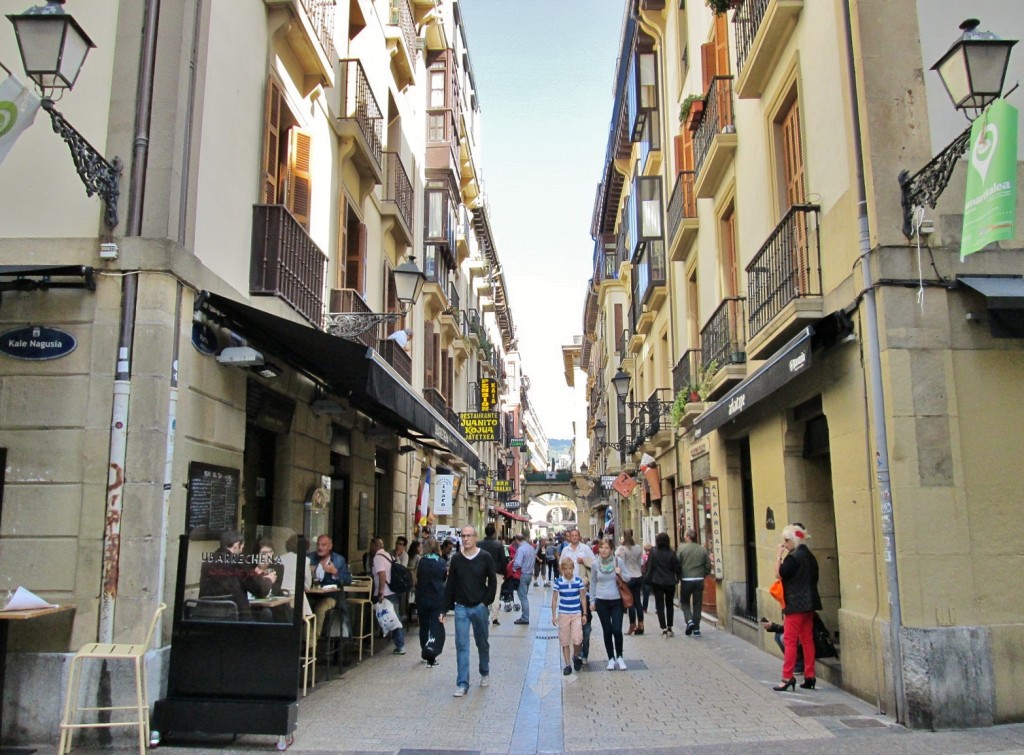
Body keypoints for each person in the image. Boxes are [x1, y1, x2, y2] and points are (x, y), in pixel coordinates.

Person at [441, 526, 497, 697]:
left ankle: (484, 671)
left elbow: (493, 581)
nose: (465, 539)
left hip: (479, 607)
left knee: (482, 642)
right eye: (463, 536)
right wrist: (444, 608)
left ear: (475, 537)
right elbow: (450, 584)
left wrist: (485, 603)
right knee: (462, 645)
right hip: (461, 608)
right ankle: (462, 683)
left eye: (468, 536)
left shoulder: (485, 557)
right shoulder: (457, 559)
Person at [773, 524, 821, 691]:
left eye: (786, 541)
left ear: (793, 540)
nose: (785, 544)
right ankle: (810, 675)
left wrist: (778, 556)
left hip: (795, 605)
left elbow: (778, 574)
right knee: (807, 639)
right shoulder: (809, 556)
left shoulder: (793, 558)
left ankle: (787, 677)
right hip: (809, 604)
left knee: (790, 641)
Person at [199, 530, 277, 618]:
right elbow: (259, 590)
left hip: (206, 614)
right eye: (242, 546)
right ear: (236, 545)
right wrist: (269, 580)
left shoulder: (208, 561)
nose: (242, 550)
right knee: (266, 614)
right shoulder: (238, 561)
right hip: (234, 616)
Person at [590, 538, 627, 670]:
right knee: (607, 630)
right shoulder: (595, 564)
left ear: (611, 550)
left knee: (617, 630)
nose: (603, 550)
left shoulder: (618, 561)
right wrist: (592, 600)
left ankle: (620, 656)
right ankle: (611, 658)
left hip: (616, 600)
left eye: (606, 548)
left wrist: (620, 573)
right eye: (601, 547)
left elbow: (628, 577)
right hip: (601, 601)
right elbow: (593, 582)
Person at [306, 534, 353, 635]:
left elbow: (348, 580)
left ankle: (313, 639)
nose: (320, 548)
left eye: (323, 545)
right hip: (311, 595)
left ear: (330, 546)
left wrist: (335, 572)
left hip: (331, 596)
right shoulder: (310, 558)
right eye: (318, 544)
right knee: (302, 608)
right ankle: (304, 637)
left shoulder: (338, 560)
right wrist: (307, 571)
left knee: (320, 609)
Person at [562, 528, 594, 664]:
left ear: (579, 536)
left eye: (576, 535)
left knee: (586, 626)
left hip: (583, 591)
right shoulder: (566, 550)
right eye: (572, 535)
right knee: (574, 626)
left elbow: (594, 564)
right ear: (569, 537)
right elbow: (561, 567)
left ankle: (584, 654)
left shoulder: (585, 549)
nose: (574, 537)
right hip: (570, 593)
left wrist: (584, 561)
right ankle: (578, 653)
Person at [551, 556, 587, 675]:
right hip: (563, 614)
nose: (568, 571)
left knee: (577, 638)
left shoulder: (578, 581)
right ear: (562, 569)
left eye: (570, 568)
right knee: (564, 639)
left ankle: (575, 655)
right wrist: (553, 615)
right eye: (565, 569)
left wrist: (584, 613)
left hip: (576, 613)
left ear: (573, 568)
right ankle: (567, 665)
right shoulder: (559, 582)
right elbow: (554, 599)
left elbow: (583, 597)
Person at [371, 536, 406, 655]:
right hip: (392, 591)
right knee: (395, 618)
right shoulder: (389, 556)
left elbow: (382, 575)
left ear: (374, 545)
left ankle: (399, 645)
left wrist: (380, 592)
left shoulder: (378, 558)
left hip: (385, 593)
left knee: (392, 619)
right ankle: (399, 644)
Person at [416, 538, 448, 667]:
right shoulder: (441, 562)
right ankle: (431, 656)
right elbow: (444, 578)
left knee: (424, 627)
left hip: (422, 598)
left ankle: (424, 651)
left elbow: (418, 577)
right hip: (437, 598)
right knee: (435, 627)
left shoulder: (422, 562)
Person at [643, 531, 681, 636]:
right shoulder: (672, 553)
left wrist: (647, 579)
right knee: (669, 605)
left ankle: (663, 627)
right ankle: (670, 627)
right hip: (669, 582)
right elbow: (677, 567)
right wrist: (678, 578)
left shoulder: (654, 552)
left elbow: (649, 566)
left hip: (657, 582)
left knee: (659, 605)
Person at [677, 527, 711, 637]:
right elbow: (708, 566)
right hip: (699, 579)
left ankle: (689, 620)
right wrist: (703, 574)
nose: (684, 537)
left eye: (685, 535)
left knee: (685, 602)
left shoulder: (681, 549)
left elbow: (677, 564)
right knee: (697, 604)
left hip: (686, 579)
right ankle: (696, 628)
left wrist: (679, 576)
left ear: (688, 536)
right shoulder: (702, 549)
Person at [477, 523, 508, 626]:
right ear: (494, 533)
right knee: (496, 595)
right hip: (496, 573)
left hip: (481, 572)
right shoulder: (499, 545)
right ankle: (494, 617)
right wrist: (504, 573)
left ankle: (484, 616)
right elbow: (504, 560)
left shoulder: (479, 544)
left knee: (482, 594)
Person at [616, 529, 644, 635]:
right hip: (638, 575)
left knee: (630, 602)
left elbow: (620, 562)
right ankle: (641, 624)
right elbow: (640, 562)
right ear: (632, 534)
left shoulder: (622, 549)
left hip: (628, 577)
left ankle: (633, 624)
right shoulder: (638, 548)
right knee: (638, 602)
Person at [511, 534, 536, 625]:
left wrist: (512, 566)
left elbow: (518, 563)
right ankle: (524, 616)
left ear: (517, 540)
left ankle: (525, 617)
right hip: (529, 574)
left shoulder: (521, 549)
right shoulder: (531, 548)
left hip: (523, 574)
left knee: (523, 597)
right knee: (524, 596)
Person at [405, 540, 422, 624]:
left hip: (406, 580)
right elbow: (418, 570)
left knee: (408, 598)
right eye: (420, 547)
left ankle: (409, 615)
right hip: (414, 580)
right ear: (417, 548)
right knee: (416, 599)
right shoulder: (418, 557)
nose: (421, 548)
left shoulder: (407, 555)